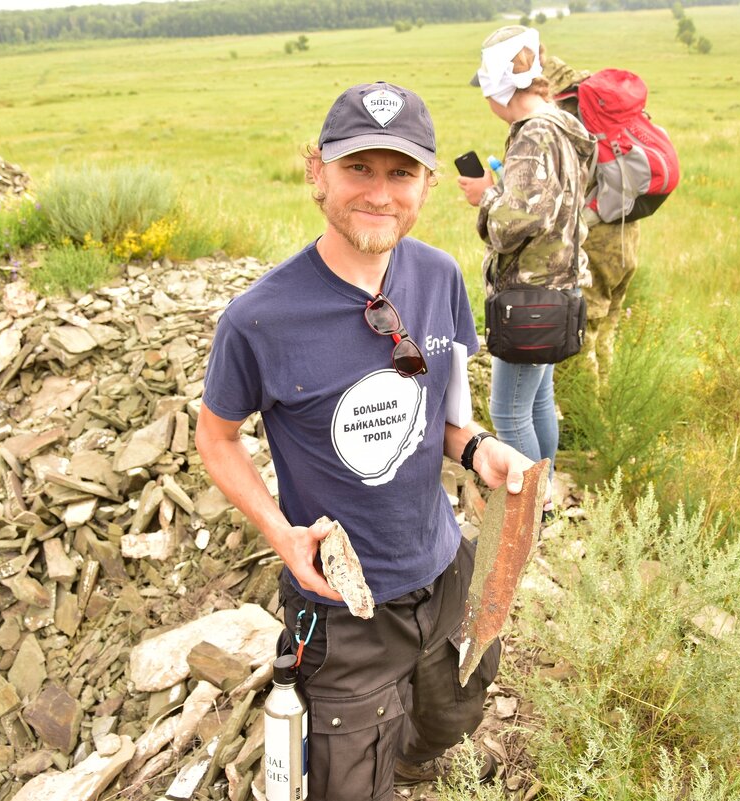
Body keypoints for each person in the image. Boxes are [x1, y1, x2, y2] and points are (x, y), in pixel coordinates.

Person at [194, 80, 535, 800]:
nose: (380, 193)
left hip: (443, 570)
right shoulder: (259, 319)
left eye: (401, 173)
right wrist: (283, 535)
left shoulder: (439, 276)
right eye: (359, 169)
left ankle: (413, 757)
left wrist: (478, 450)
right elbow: (217, 440)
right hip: (341, 606)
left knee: (455, 710)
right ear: (317, 171)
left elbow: (446, 415)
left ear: (428, 184)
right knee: (347, 786)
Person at [457, 26, 596, 503]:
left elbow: (512, 225)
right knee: (539, 402)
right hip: (560, 288)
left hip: (531, 294)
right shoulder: (562, 127)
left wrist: (485, 197)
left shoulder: (534, 136)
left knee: (509, 410)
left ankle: (530, 508)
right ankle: (548, 492)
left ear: (501, 87)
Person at [544, 54, 642, 392]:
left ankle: (585, 424)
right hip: (626, 234)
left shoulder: (567, 113)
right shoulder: (606, 106)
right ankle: (607, 402)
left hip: (596, 240)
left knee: (581, 336)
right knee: (606, 329)